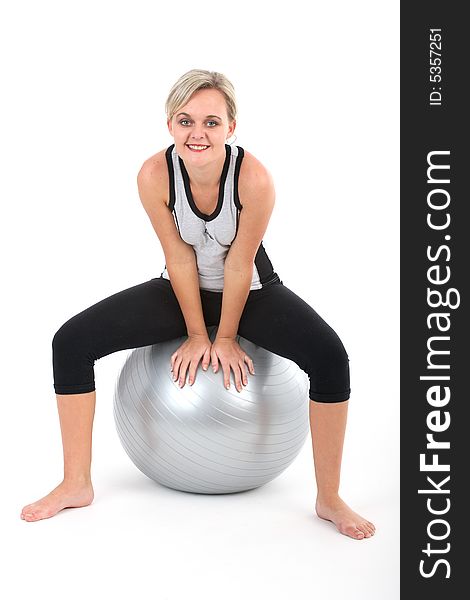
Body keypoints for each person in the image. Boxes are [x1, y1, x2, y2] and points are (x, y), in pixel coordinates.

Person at [21, 69, 375, 540]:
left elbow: (238, 265)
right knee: (70, 342)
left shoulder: (254, 179)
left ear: (231, 127)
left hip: (252, 291)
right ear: (170, 124)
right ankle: (75, 483)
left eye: (211, 122)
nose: (198, 133)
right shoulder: (154, 174)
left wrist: (223, 337)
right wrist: (194, 333)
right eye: (186, 121)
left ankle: (329, 498)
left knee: (331, 359)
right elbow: (178, 257)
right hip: (180, 286)